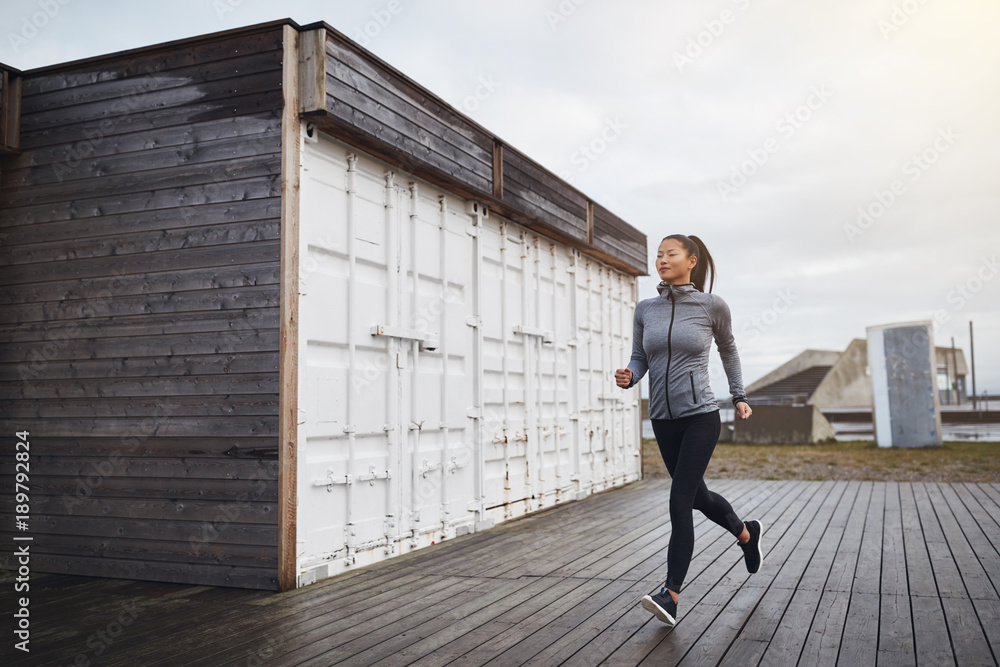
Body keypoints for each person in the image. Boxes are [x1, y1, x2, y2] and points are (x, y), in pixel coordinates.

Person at [614, 233, 763, 628]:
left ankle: (671, 594)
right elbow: (640, 356)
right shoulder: (646, 308)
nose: (662, 259)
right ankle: (745, 533)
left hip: (700, 415)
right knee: (698, 496)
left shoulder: (712, 306)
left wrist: (739, 395)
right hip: (662, 418)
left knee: (679, 500)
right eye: (658, 255)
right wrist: (631, 376)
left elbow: (729, 349)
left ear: (691, 260)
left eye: (671, 254)